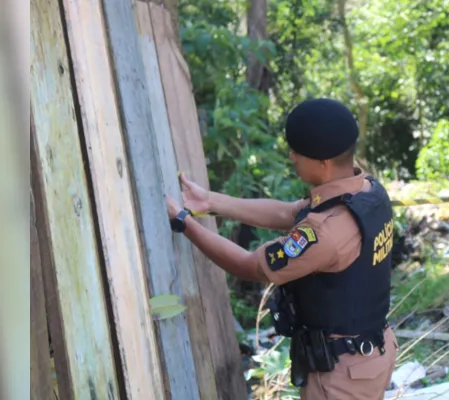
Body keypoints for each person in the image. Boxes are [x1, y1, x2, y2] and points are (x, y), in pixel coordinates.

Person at [166, 98, 398, 399]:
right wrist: (210, 202)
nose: (291, 157)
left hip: (341, 376)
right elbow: (289, 214)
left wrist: (185, 224)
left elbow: (251, 266)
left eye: (297, 153)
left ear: (323, 163)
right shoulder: (367, 191)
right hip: (371, 353)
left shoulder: (324, 233)